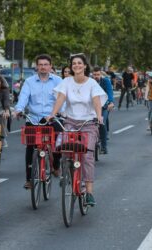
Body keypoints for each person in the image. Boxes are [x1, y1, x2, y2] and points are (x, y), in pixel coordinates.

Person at [48, 53, 107, 206]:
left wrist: (99, 116)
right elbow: (61, 98)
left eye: (79, 63)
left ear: (85, 66)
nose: (77, 66)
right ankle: (68, 174)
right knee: (65, 150)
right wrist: (52, 114)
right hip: (70, 121)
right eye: (74, 63)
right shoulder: (66, 82)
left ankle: (89, 192)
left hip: (88, 122)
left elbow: (96, 100)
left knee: (86, 156)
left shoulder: (92, 83)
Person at [14, 54, 63, 189]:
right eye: (40, 64)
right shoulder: (29, 82)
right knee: (30, 146)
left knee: (58, 141)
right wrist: (18, 109)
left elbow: (62, 99)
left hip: (53, 117)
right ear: (36, 67)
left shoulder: (58, 81)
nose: (43, 67)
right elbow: (23, 97)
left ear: (50, 66)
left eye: (46, 64)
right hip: (34, 118)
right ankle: (29, 178)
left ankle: (56, 164)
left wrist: (61, 112)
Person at [92, 67, 114, 154]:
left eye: (98, 74)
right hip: (92, 107)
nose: (96, 76)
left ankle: (104, 147)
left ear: (100, 74)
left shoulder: (106, 81)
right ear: (92, 75)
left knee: (101, 123)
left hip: (104, 106)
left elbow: (109, 92)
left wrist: (111, 102)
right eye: (94, 75)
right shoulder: (89, 82)